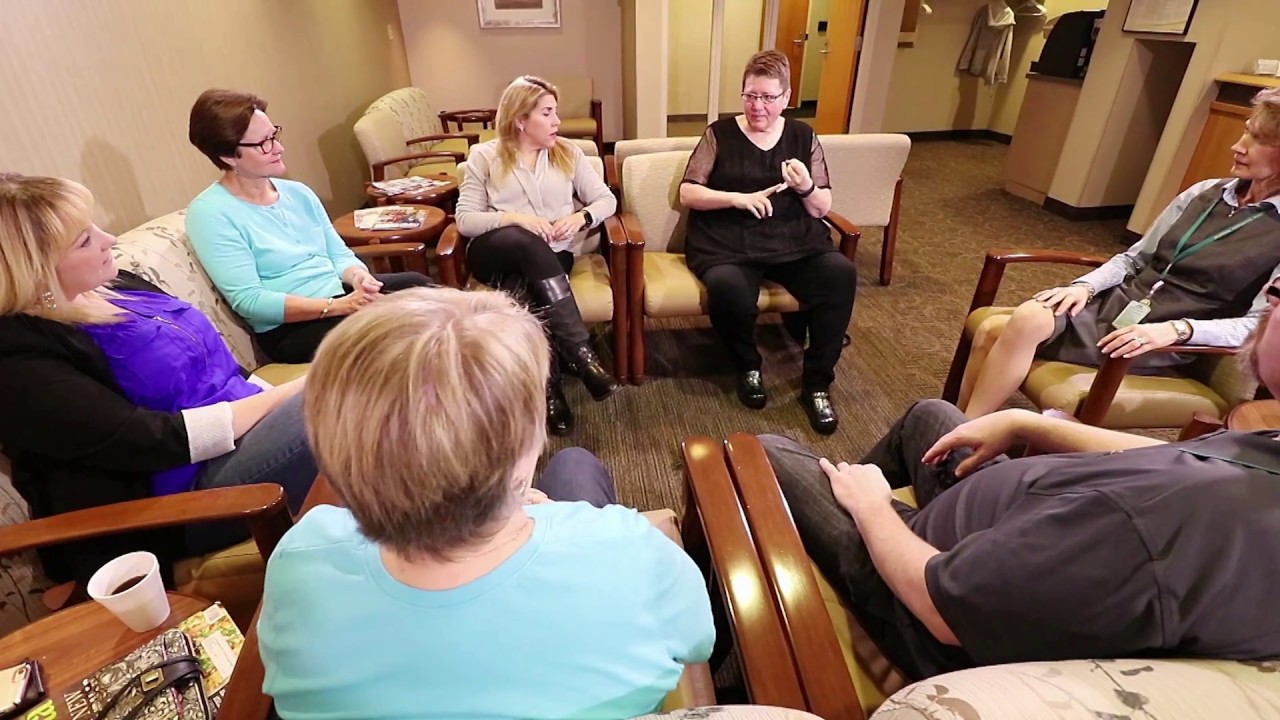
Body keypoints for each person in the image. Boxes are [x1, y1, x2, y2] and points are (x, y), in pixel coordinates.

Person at [760, 276, 1280, 681]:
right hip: (1006, 532)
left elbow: (944, 612)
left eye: (1277, 295)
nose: (1269, 302)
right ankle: (826, 533)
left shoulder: (1159, 518)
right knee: (932, 416)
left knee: (762, 453)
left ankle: (828, 572)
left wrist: (871, 508)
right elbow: (1183, 456)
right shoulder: (1261, 455)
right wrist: (1027, 423)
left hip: (928, 599)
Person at [258, 287, 714, 719]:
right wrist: (545, 516)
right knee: (575, 464)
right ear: (527, 447)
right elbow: (697, 642)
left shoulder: (301, 559)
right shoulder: (626, 549)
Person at [0, 174, 317, 588]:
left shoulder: (116, 284)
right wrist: (292, 393)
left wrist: (276, 397)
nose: (110, 239)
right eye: (85, 240)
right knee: (342, 399)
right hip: (183, 494)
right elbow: (151, 440)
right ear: (36, 270)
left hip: (243, 433)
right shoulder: (19, 358)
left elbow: (215, 365)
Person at [959, 87, 1280, 418]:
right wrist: (1085, 286)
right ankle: (962, 433)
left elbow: (1259, 327)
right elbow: (1134, 259)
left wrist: (1179, 330)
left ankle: (962, 436)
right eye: (1246, 131)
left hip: (1157, 339)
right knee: (1008, 324)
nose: (1238, 146)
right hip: (1116, 308)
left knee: (1002, 329)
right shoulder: (1204, 192)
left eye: (1258, 140)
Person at [185, 88, 435, 364]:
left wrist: (358, 277)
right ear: (228, 156)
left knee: (423, 288)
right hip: (292, 327)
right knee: (400, 332)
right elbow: (250, 301)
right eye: (264, 143)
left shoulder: (298, 193)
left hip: (339, 294)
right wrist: (337, 306)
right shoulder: (210, 213)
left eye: (274, 135)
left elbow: (338, 254)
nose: (279, 148)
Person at [679, 50, 855, 435]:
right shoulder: (720, 133)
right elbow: (688, 193)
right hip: (729, 242)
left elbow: (821, 206)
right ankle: (748, 366)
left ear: (786, 97)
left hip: (794, 241)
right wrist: (737, 199)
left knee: (840, 274)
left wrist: (805, 186)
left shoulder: (802, 136)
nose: (757, 106)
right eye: (750, 96)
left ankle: (817, 383)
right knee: (728, 288)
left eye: (768, 97)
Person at [455, 75, 620, 437]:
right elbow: (465, 220)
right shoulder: (485, 156)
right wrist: (515, 219)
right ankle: (582, 355)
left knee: (525, 289)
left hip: (552, 258)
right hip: (493, 253)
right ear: (520, 119)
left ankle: (549, 387)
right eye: (547, 113)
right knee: (523, 239)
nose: (557, 121)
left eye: (555, 112)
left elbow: (606, 200)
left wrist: (581, 217)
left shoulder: (568, 153)